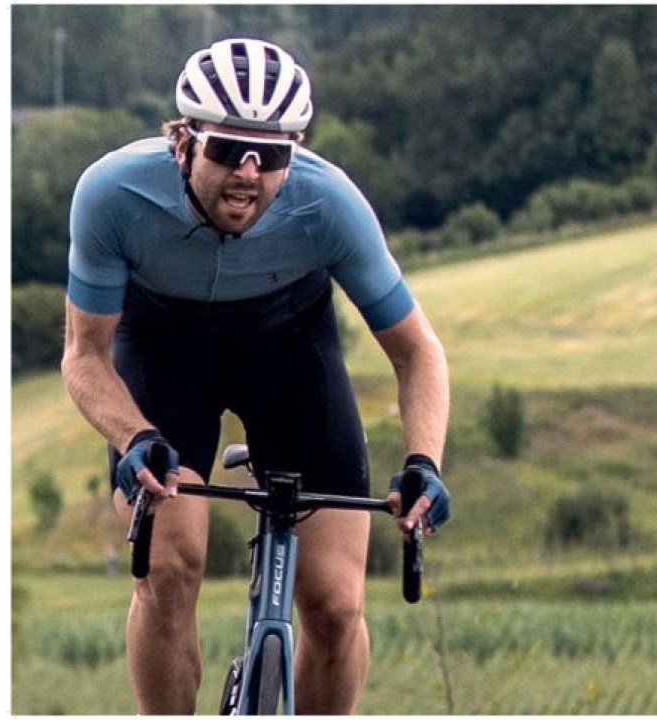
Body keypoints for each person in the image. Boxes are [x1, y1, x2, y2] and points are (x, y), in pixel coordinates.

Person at [61, 37, 452, 714]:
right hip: (164, 353)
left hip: (288, 352)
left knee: (335, 606)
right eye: (227, 150)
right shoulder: (112, 195)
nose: (248, 173)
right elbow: (85, 355)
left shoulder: (328, 203)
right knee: (168, 571)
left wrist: (424, 461)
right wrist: (133, 438)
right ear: (183, 142)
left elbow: (418, 352)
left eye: (271, 157)